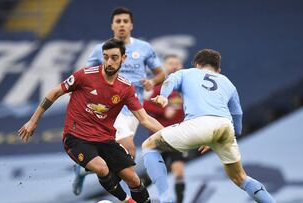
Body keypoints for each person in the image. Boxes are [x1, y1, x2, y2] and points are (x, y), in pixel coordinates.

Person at [18, 38, 165, 203]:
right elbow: (54, 93)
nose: (109, 62)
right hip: (76, 138)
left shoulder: (126, 88)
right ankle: (127, 201)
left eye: (114, 57)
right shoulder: (85, 75)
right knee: (102, 168)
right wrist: (33, 121)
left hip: (105, 140)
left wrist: (170, 135)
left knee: (134, 179)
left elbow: (144, 119)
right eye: (106, 57)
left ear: (123, 58)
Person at [142, 49, 276, 203]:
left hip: (199, 123)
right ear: (218, 69)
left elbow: (169, 81)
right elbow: (237, 114)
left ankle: (165, 199)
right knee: (240, 178)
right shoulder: (227, 82)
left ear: (197, 65)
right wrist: (227, 136)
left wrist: (163, 97)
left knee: (149, 145)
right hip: (225, 126)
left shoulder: (187, 73)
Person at [73, 7, 165, 196]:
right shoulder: (100, 50)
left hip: (133, 108)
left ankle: (85, 169)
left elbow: (161, 74)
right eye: (118, 21)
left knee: (127, 155)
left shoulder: (144, 48)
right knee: (128, 149)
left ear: (131, 25)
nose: (122, 24)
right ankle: (125, 194)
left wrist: (152, 82)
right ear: (112, 25)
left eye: (125, 21)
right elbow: (86, 77)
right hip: (109, 107)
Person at [143, 54, 186, 203]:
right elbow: (144, 105)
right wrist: (163, 110)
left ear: (181, 65)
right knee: (154, 175)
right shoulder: (158, 86)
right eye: (170, 63)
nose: (174, 66)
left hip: (178, 137)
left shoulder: (186, 86)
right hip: (159, 137)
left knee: (178, 170)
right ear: (165, 66)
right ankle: (138, 196)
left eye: (176, 63)